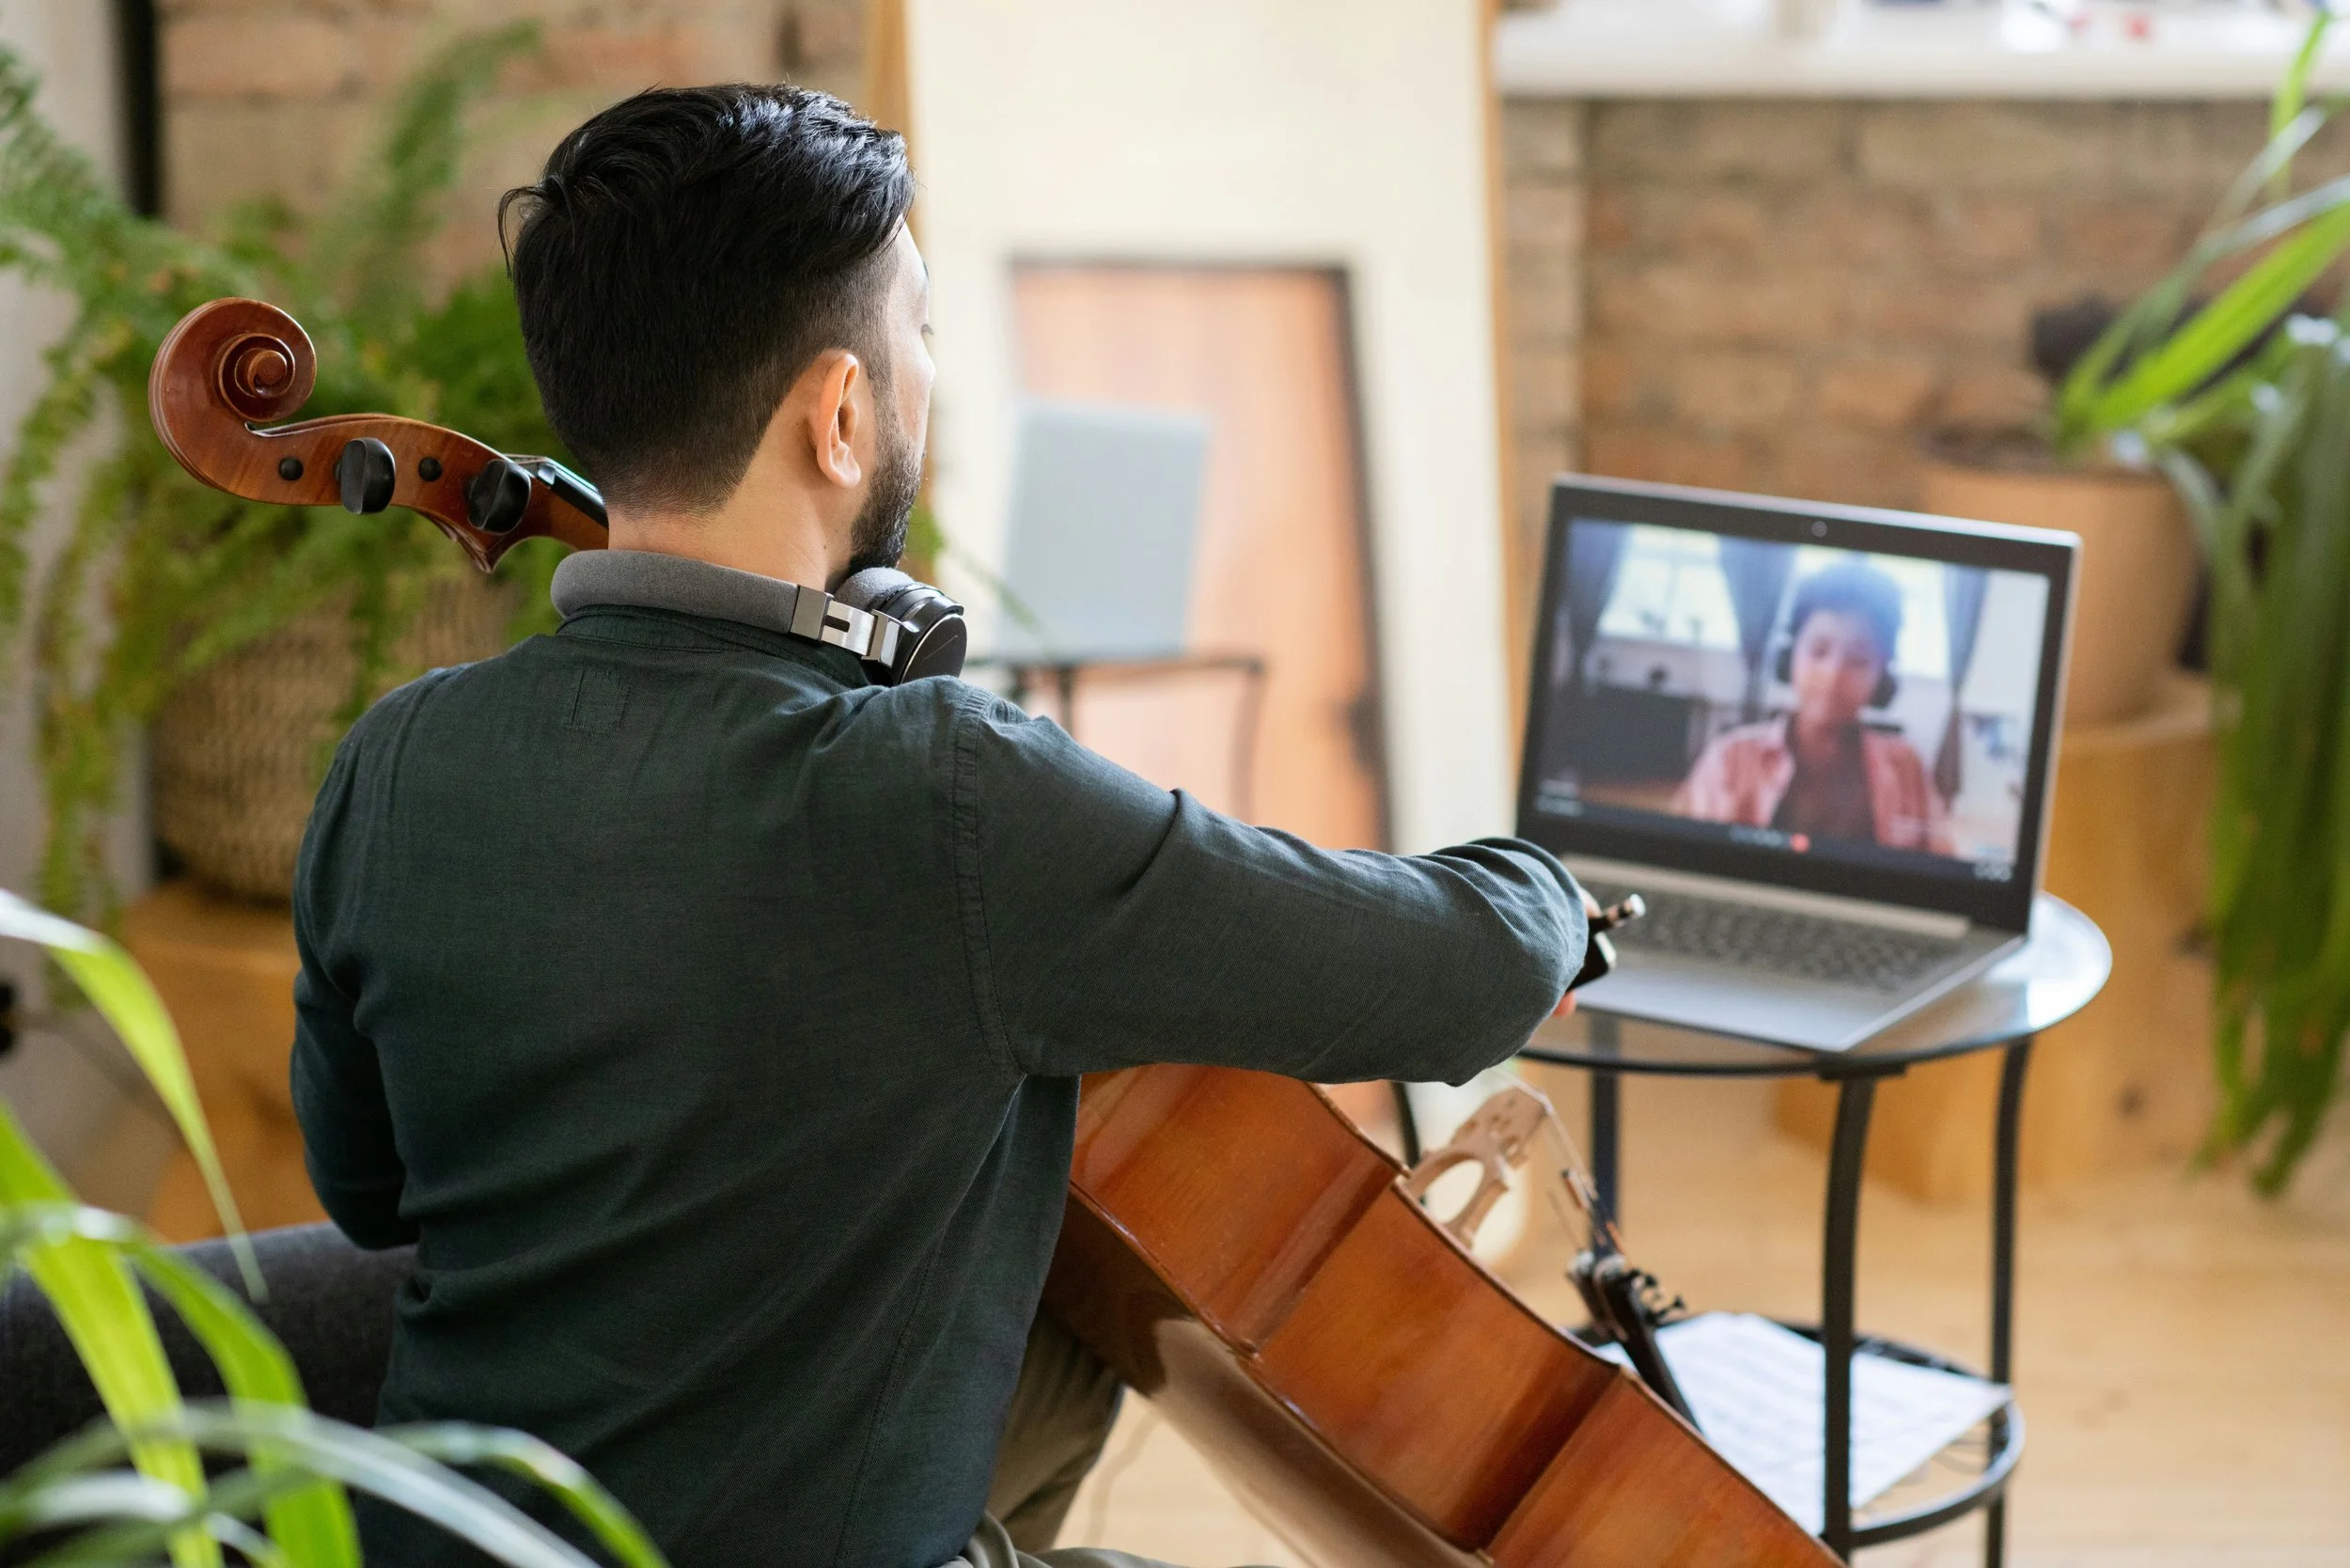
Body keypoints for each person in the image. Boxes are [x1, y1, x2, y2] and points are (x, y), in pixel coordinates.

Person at [288, 86, 1589, 1568]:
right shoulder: (941, 794)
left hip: (458, 1540)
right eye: (918, 336)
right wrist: (1553, 886)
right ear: (838, 416)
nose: (929, 377)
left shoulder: (387, 763)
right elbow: (1460, 974)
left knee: (1070, 1303)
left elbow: (371, 1188)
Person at [1674, 560, 1950, 855]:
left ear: (1882, 676)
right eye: (1819, 651)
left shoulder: (1904, 766)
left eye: (1858, 660)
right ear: (1789, 655)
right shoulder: (1730, 759)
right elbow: (1682, 855)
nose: (1833, 675)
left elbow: (1938, 860)